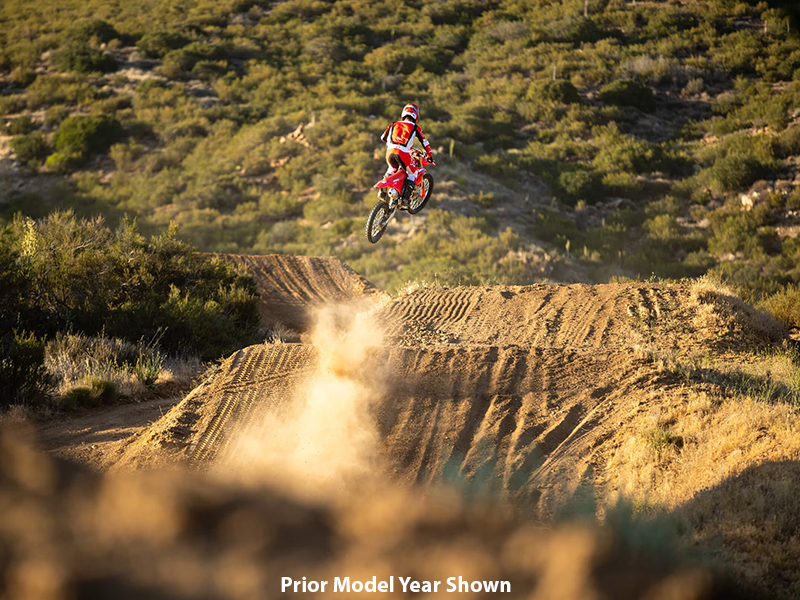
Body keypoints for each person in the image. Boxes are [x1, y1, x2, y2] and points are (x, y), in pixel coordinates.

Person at [380, 103, 434, 199]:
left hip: (389, 152)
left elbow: (383, 138)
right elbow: (425, 143)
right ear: (416, 116)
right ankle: (405, 199)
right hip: (402, 154)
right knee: (412, 174)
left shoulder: (393, 124)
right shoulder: (415, 127)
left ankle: (383, 190)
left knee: (392, 169)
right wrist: (429, 155)